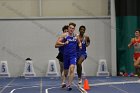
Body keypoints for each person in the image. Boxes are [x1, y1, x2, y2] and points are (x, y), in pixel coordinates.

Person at [55, 22, 82, 91]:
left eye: (73, 28)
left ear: (74, 29)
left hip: (73, 56)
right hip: (66, 56)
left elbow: (79, 42)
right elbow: (56, 43)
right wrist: (64, 43)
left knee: (72, 69)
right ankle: (64, 81)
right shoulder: (64, 35)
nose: (71, 29)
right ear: (68, 28)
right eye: (70, 28)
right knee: (66, 72)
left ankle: (69, 85)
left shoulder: (76, 36)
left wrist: (80, 45)